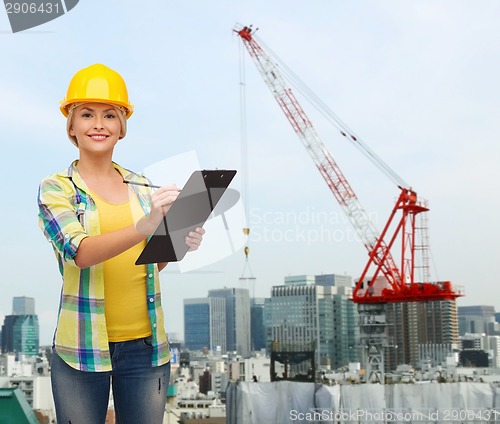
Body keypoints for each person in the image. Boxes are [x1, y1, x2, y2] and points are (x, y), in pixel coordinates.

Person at [37, 63, 205, 424]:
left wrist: (178, 243)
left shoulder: (141, 186)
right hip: (81, 350)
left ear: (121, 127)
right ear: (71, 125)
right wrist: (145, 226)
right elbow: (79, 253)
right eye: (87, 114)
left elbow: (150, 263)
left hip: (146, 349)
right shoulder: (57, 188)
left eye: (109, 115)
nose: (98, 124)